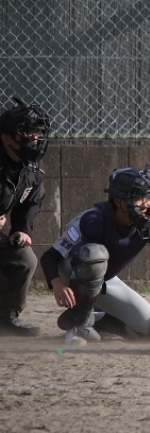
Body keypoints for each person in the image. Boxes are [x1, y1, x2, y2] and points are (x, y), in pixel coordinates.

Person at [40, 165, 150, 344]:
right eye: (139, 198)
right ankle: (78, 324)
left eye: (148, 198)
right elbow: (49, 257)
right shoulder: (94, 220)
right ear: (119, 201)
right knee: (93, 255)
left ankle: (98, 321)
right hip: (73, 273)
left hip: (106, 280)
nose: (146, 204)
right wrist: (58, 285)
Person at [0, 97, 51, 337]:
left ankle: (6, 318)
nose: (35, 140)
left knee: (24, 258)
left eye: (37, 134)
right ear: (6, 138)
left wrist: (22, 228)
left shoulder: (31, 169)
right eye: (27, 135)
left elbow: (32, 200)